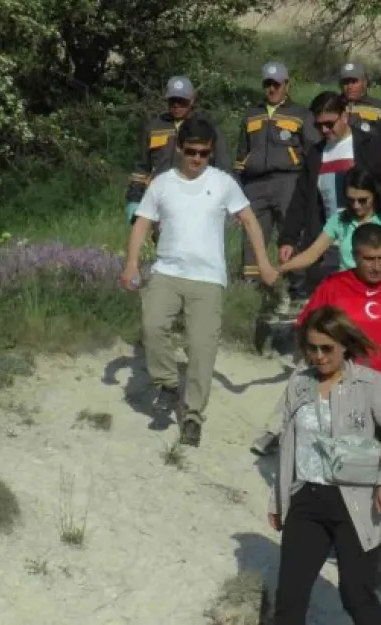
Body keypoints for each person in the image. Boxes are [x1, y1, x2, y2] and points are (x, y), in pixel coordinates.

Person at [255, 222, 381, 587]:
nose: (377, 266)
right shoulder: (334, 288)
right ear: (356, 255)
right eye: (369, 259)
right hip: (343, 403)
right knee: (344, 477)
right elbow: (307, 331)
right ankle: (351, 550)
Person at [119, 118, 275, 447]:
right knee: (152, 325)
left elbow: (249, 220)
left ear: (211, 152)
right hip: (167, 272)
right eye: (191, 152)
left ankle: (192, 415)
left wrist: (262, 262)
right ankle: (167, 383)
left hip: (208, 279)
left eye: (204, 154)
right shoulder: (161, 183)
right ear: (179, 149)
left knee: (202, 348)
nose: (196, 159)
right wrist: (131, 264)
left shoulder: (223, 183)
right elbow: (141, 224)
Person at [268, 305, 381, 625]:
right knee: (289, 600)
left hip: (355, 501)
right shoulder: (299, 383)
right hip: (305, 498)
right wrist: (277, 499)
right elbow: (287, 443)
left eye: (326, 348)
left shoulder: (369, 383)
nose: (318, 356)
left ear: (344, 345)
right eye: (311, 348)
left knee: (356, 595)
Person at [278, 91, 381, 312]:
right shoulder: (316, 154)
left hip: (369, 240)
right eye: (318, 125)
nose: (324, 131)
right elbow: (301, 199)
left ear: (345, 115)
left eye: (330, 124)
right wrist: (288, 238)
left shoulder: (368, 146)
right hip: (329, 239)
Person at [233, 61, 319, 305]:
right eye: (268, 84)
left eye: (277, 84)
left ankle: (298, 291)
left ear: (287, 84)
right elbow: (241, 153)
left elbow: (313, 151)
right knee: (252, 236)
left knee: (291, 235)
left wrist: (310, 183)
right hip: (254, 184)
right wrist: (238, 184)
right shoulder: (251, 114)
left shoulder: (301, 114)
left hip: (289, 181)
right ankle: (252, 294)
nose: (272, 89)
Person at [124, 76, 228, 224]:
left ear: (192, 100)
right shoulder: (153, 127)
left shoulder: (206, 126)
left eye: (182, 101)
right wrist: (134, 199)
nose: (177, 105)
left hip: (197, 198)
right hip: (162, 199)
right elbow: (141, 167)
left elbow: (222, 165)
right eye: (172, 101)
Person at [273, 166, 381, 277]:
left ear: (375, 195)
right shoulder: (339, 221)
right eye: (351, 200)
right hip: (347, 287)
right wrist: (280, 269)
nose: (356, 206)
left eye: (362, 200)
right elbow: (312, 254)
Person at [340, 61, 381, 161]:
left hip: (371, 167)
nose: (349, 87)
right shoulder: (333, 106)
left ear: (364, 82)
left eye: (354, 81)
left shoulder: (380, 109)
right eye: (346, 82)